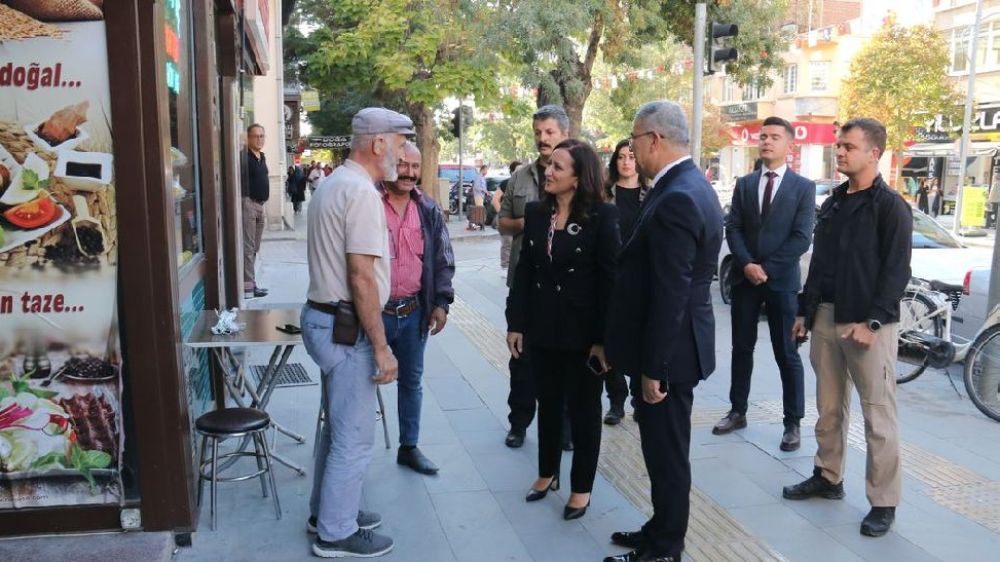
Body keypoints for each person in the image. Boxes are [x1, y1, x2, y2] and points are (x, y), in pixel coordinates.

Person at [603, 101, 723, 562]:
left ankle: (665, 548)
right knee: (661, 450)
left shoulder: (677, 194)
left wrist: (654, 366)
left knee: (667, 455)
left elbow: (671, 291)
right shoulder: (685, 184)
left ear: (654, 139)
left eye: (634, 140)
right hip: (674, 345)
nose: (630, 148)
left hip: (670, 353)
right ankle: (659, 528)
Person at [782, 118, 911, 538]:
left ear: (874, 153)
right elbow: (819, 264)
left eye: (849, 147)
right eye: (838, 146)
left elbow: (896, 272)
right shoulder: (834, 202)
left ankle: (884, 502)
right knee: (829, 407)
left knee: (878, 415)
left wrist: (872, 322)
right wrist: (804, 311)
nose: (840, 152)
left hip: (868, 324)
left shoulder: (890, 206)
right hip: (825, 317)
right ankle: (828, 476)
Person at [300, 107, 413, 558]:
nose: (404, 153)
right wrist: (382, 347)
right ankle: (336, 533)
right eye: (401, 142)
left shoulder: (334, 183)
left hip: (324, 320)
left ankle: (327, 513)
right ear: (378, 143)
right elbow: (362, 276)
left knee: (337, 427)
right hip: (344, 327)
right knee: (353, 436)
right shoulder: (362, 193)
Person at [507, 138, 620, 521]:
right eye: (548, 165)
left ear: (578, 176)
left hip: (584, 335)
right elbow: (526, 271)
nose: (548, 172)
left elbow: (610, 281)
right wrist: (516, 324)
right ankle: (546, 473)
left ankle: (581, 488)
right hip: (542, 328)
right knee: (548, 404)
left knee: (585, 412)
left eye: (557, 166)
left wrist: (603, 341)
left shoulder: (602, 217)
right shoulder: (538, 212)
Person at [712, 116, 815, 452]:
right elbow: (734, 227)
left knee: (787, 352)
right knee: (741, 348)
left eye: (774, 137)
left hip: (782, 283)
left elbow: (802, 237)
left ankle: (792, 423)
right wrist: (747, 264)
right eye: (763, 136)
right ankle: (737, 410)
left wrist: (767, 269)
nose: (767, 141)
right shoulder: (744, 184)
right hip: (746, 281)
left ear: (789, 144)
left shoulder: (802, 187)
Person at [377, 141, 455, 475]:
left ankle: (409, 447)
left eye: (414, 165)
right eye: (403, 164)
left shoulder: (428, 208)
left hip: (412, 315)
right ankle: (352, 453)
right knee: (364, 385)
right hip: (373, 316)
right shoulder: (368, 203)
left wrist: (441, 302)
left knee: (412, 382)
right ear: (389, 164)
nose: (409, 172)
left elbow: (443, 259)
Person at [497, 105, 571, 448]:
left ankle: (566, 427)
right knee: (521, 357)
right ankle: (519, 422)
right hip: (526, 281)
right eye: (538, 132)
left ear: (564, 135)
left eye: (550, 132)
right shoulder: (520, 178)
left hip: (567, 286)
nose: (542, 139)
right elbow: (504, 224)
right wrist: (534, 221)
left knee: (567, 358)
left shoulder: (582, 175)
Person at [600, 139, 650, 426]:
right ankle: (615, 401)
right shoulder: (604, 194)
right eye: (621, 157)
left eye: (631, 156)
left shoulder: (652, 194)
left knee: (640, 339)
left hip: (639, 278)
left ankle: (638, 399)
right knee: (611, 339)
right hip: (610, 276)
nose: (627, 162)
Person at [242, 123, 269, 299]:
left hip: (260, 206)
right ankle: (248, 288)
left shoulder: (262, 157)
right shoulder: (243, 157)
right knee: (248, 248)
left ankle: (251, 283)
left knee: (255, 248)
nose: (259, 139)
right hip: (248, 204)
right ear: (248, 138)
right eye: (255, 136)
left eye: (262, 136)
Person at [496, 161, 522, 269]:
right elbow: (495, 199)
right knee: (507, 243)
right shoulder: (505, 183)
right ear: (512, 172)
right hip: (507, 219)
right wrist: (502, 214)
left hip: (519, 219)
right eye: (518, 170)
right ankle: (505, 266)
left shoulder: (525, 184)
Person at [468, 165, 489, 230]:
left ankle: (477, 224)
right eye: (486, 170)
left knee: (479, 210)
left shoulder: (482, 177)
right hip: (478, 195)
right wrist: (484, 191)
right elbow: (476, 187)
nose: (486, 172)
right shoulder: (478, 177)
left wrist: (486, 191)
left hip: (481, 195)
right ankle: (478, 224)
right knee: (479, 210)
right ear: (482, 169)